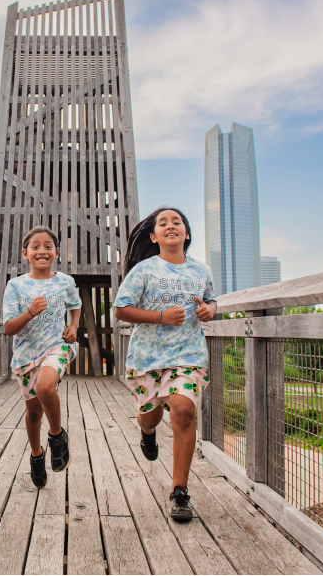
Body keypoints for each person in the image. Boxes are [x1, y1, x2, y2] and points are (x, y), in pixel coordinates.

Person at [112, 207, 217, 521]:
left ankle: (179, 492)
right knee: (151, 416)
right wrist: (159, 317)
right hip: (147, 358)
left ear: (186, 234)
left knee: (184, 410)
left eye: (178, 222)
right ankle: (147, 432)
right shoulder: (144, 271)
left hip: (188, 355)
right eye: (163, 223)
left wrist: (210, 309)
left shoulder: (201, 271)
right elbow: (120, 310)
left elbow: (211, 299)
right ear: (153, 237)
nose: (171, 225)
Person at [3, 226, 80, 487]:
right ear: (25, 253)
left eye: (48, 246)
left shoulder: (65, 282)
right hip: (26, 354)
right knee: (33, 413)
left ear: (56, 252)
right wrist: (30, 313)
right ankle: (37, 456)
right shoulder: (15, 286)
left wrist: (74, 327)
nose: (42, 251)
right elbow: (8, 328)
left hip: (56, 347)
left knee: (46, 387)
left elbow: (76, 305)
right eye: (35, 246)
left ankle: (57, 437)